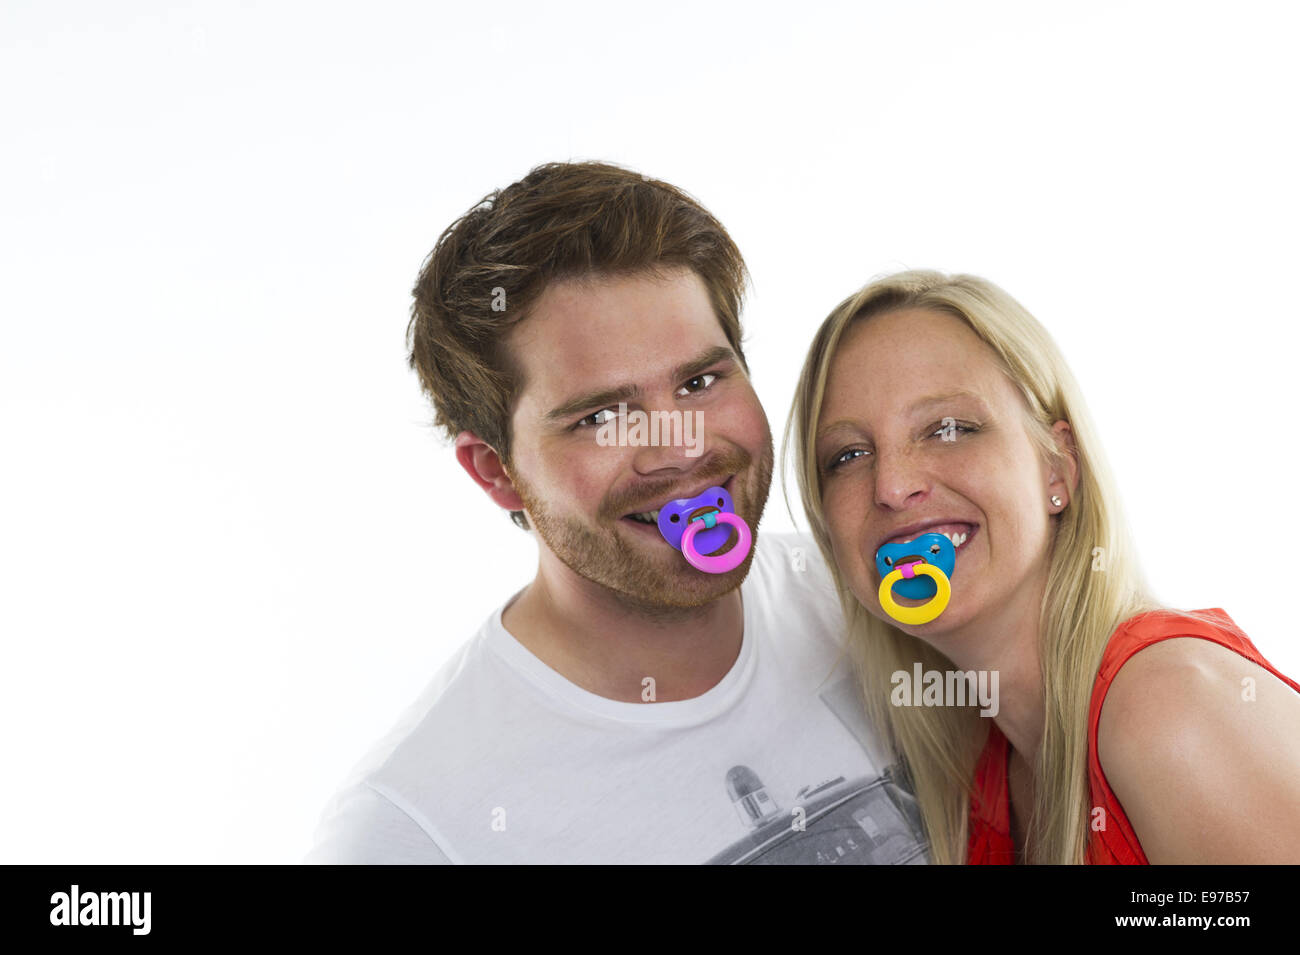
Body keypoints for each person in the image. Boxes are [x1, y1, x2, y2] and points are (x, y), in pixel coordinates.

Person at [303, 162, 929, 864]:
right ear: (496, 471)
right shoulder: (412, 830)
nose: (681, 448)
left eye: (700, 381)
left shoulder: (876, 596)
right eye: (602, 415)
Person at [784, 269, 1300, 864]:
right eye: (848, 455)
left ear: (1057, 468)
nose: (893, 487)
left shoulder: (1165, 706)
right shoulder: (981, 774)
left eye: (948, 428)